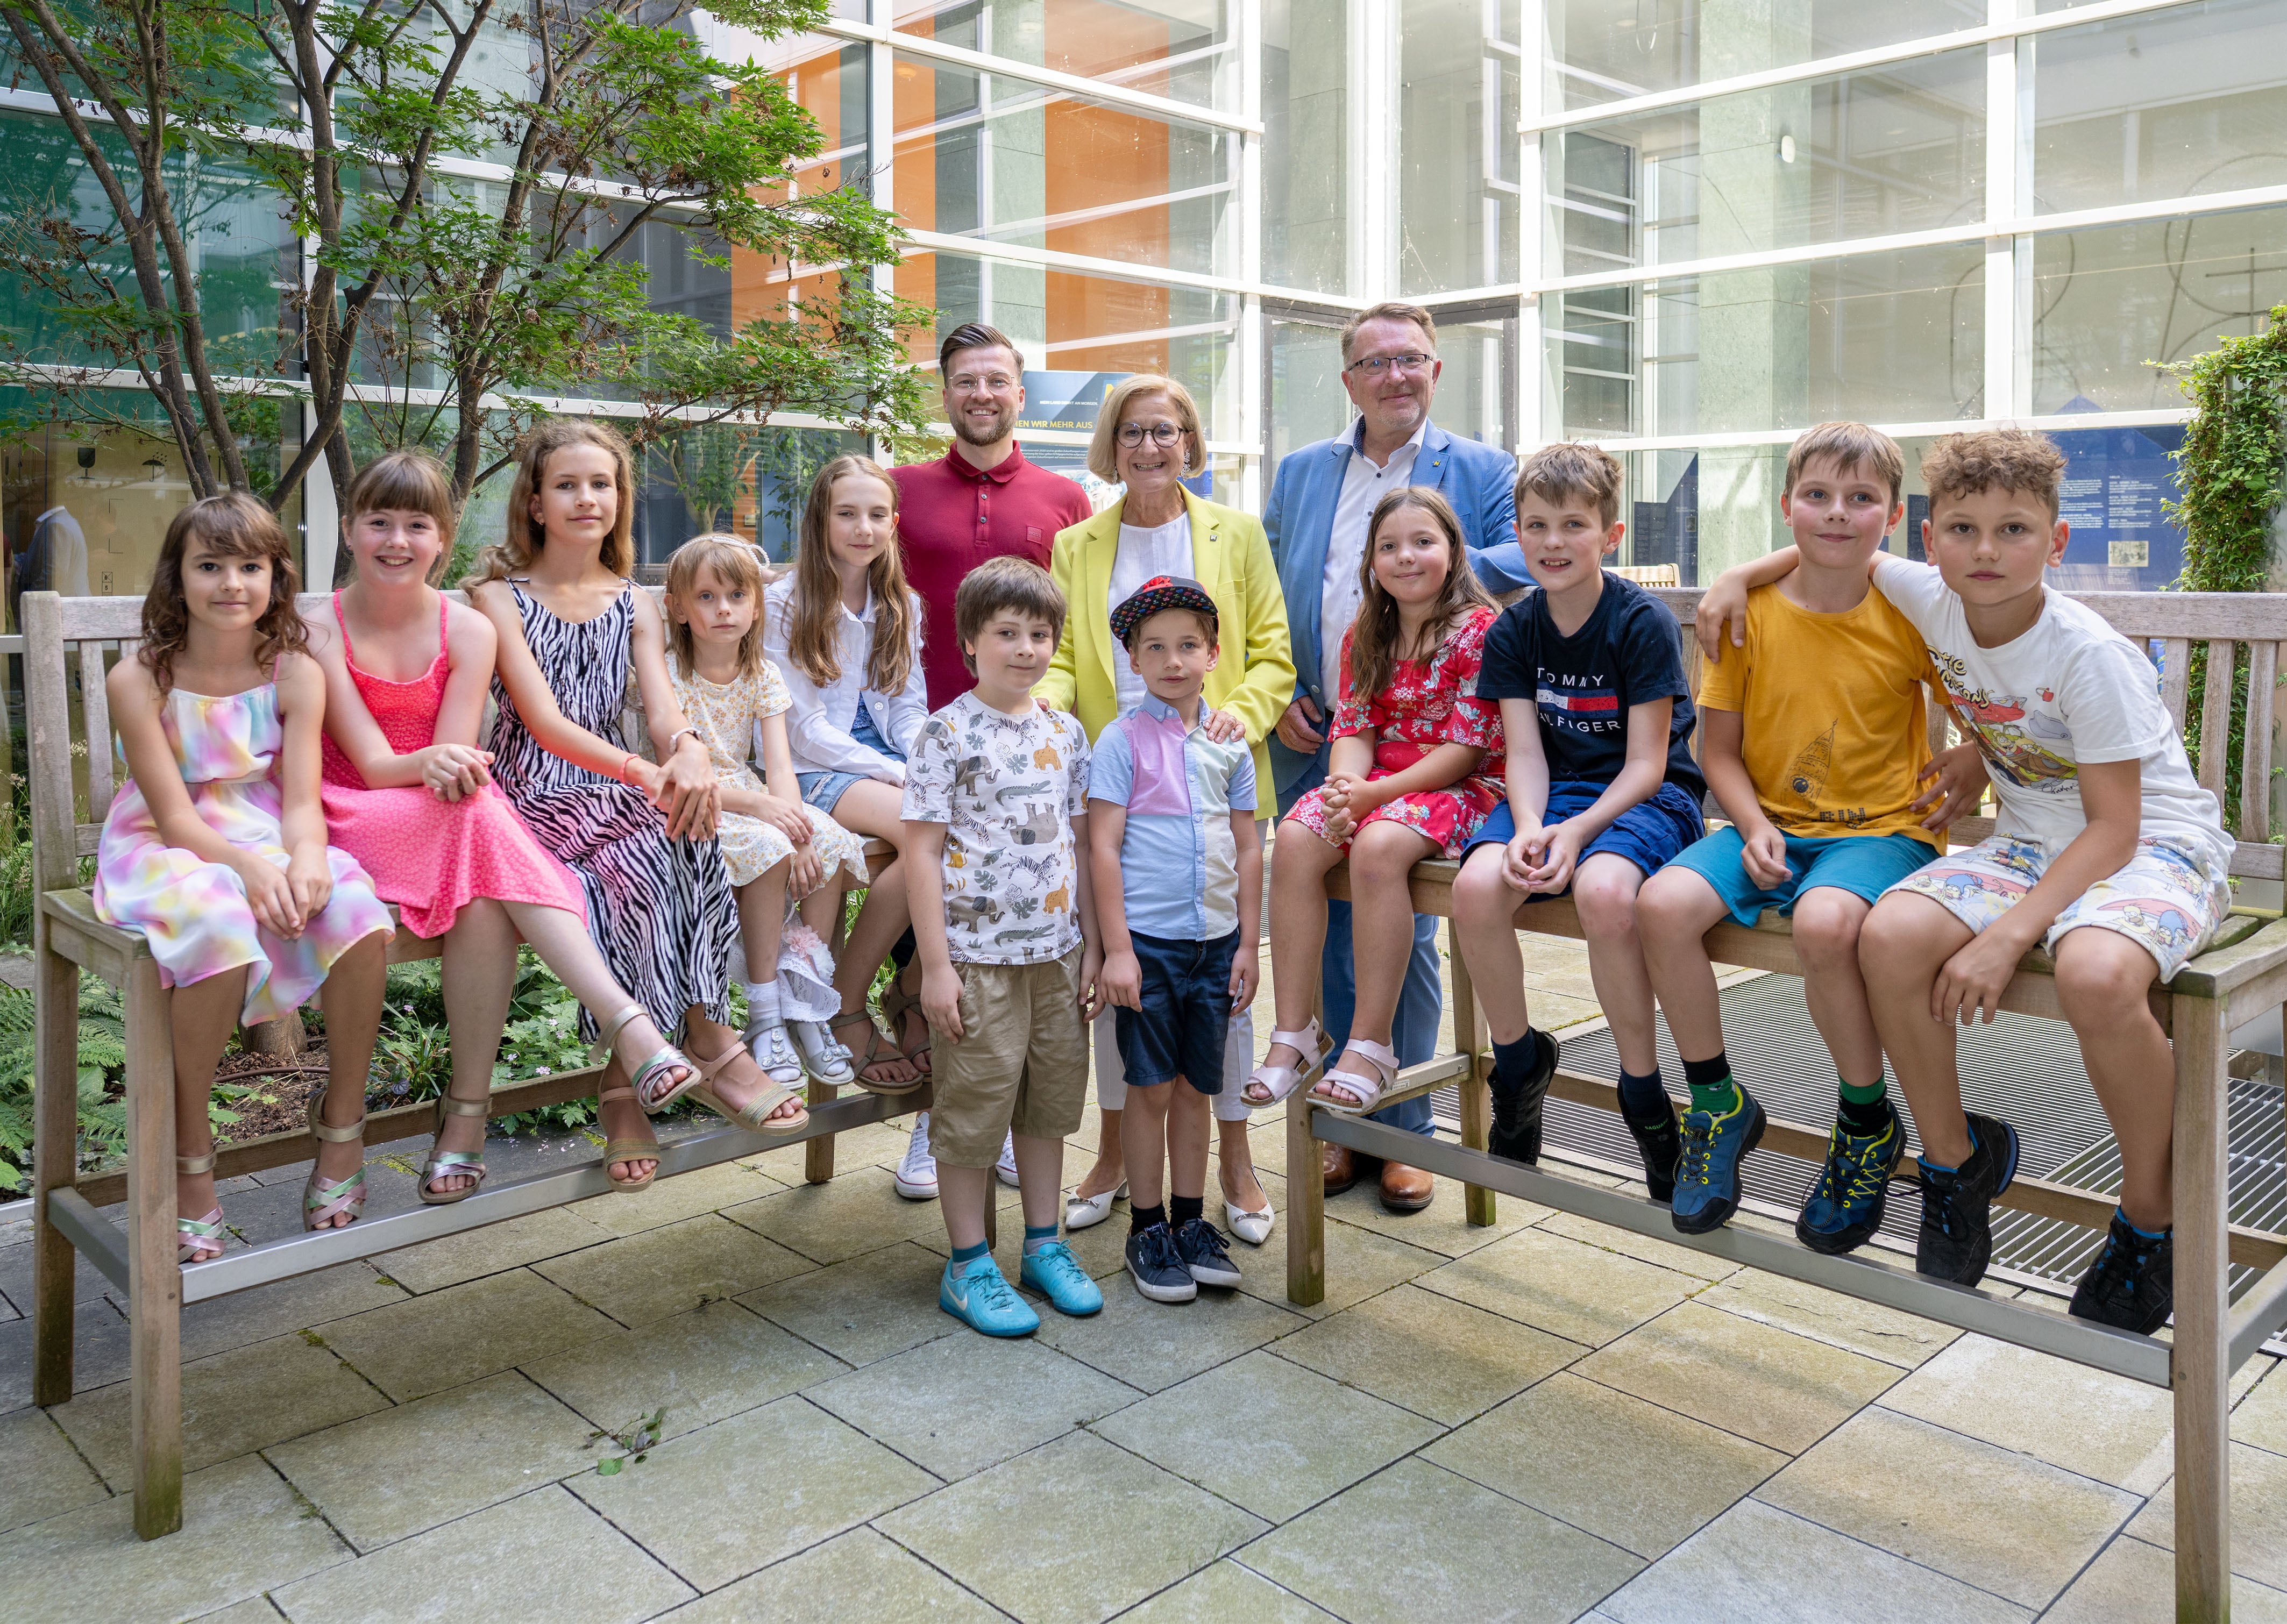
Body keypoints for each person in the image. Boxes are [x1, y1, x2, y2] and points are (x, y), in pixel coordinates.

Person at [1735, 430, 2228, 1331]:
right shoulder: (1928, 593)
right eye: (1962, 529)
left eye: (2014, 530)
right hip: (2031, 840)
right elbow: (1846, 548)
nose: (1986, 551)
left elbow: (2115, 828)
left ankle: (2150, 1218)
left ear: (2056, 541)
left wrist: (2006, 938)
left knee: (2093, 973)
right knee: (1889, 937)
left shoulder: (2088, 654)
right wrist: (1737, 579)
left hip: (2150, 845)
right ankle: (1953, 1163)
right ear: (1930, 542)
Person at [311, 450, 696, 1204]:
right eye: (379, 522)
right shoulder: (318, 627)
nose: (397, 541)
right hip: (345, 814)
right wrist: (441, 768)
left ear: (444, 538)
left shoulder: (465, 628)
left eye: (417, 525)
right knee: (483, 811)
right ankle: (629, 1023)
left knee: (486, 896)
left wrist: (447, 769)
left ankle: (466, 1117)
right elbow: (375, 764)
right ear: (350, 529)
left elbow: (455, 759)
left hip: (440, 822)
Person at [469, 420, 808, 1188]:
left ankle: (661, 1063)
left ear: (619, 500)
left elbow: (661, 711)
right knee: (651, 843)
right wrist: (646, 772)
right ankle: (686, 1055)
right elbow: (544, 722)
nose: (587, 498)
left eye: (602, 484)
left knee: (688, 825)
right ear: (535, 503)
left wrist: (686, 749)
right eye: (567, 485)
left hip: (615, 788)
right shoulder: (498, 598)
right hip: (529, 793)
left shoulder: (634, 601)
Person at [1636, 422, 1952, 1243]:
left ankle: (1865, 1121)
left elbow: (1985, 708)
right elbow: (1717, 752)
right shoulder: (1747, 616)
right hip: (1768, 823)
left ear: (1894, 515)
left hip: (1884, 832)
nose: (1837, 512)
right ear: (1787, 507)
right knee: (1660, 906)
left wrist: (1974, 763)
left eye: (1861, 498)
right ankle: (1717, 1103)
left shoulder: (1911, 612)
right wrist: (1750, 826)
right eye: (1817, 495)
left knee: (1824, 922)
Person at [1264, 300, 1530, 1212]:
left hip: (1432, 749)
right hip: (1331, 727)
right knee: (1320, 902)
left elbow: (1526, 557)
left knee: (1403, 919)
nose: (1394, 376)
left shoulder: (1481, 469)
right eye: (1375, 363)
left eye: (1410, 359)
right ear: (1349, 381)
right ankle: (1341, 1123)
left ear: (1435, 370)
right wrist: (1290, 693)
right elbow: (1276, 589)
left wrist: (1429, 569)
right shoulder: (1303, 471)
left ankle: (1405, 1125)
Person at [94, 493, 393, 1259]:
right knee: (220, 921)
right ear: (178, 577)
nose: (232, 583)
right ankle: (190, 1152)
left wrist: (309, 857)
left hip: (264, 827)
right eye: (210, 566)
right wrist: (253, 870)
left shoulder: (294, 671)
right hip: (164, 842)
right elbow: (176, 818)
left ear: (275, 577)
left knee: (357, 913)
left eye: (250, 566)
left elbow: (300, 803)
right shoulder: (140, 679)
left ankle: (342, 1127)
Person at [1037, 374, 1293, 1245]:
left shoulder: (1237, 533)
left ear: (1190, 442)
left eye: (1166, 430)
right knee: (1125, 978)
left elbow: (1272, 655)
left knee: (1225, 981)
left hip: (1217, 786)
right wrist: (1050, 719)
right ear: (1111, 446)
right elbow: (1062, 660)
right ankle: (1114, 1155)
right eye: (1133, 432)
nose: (1149, 447)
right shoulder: (1076, 545)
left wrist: (1237, 716)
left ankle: (1236, 1163)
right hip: (1117, 789)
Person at [1449, 444, 1704, 1199]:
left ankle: (1644, 1095)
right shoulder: (1514, 630)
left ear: (1610, 535)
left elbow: (1648, 765)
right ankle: (1518, 1065)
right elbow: (1524, 752)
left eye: (1573, 525)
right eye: (1536, 525)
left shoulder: (1641, 621)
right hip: (1553, 795)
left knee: (1604, 893)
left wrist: (1578, 832)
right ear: (1517, 535)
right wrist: (1532, 825)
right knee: (1475, 889)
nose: (1553, 542)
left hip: (1645, 799)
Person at [887, 324, 1091, 1195]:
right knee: (926, 945)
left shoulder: (1065, 498)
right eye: (965, 381)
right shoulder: (897, 491)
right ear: (945, 394)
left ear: (1020, 394)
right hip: (918, 743)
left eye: (996, 381)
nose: (981, 395)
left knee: (1012, 950)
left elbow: (1071, 627)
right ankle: (938, 1116)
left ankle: (1006, 1117)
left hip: (1022, 756)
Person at [1251, 488, 1503, 1124]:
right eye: (1388, 546)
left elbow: (1466, 750)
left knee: (1378, 844)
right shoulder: (1366, 630)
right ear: (1370, 560)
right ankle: (1294, 1031)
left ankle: (1370, 1043)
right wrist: (1343, 789)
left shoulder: (1478, 631)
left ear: (1453, 550)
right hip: (1378, 783)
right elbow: (1354, 729)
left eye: (1422, 542)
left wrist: (1372, 798)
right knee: (1297, 836)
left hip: (1461, 786)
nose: (1405, 556)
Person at [903, 555, 1104, 1336]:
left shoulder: (1065, 731)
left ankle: (1044, 1244)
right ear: (970, 641)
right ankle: (967, 1264)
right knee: (972, 1111)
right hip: (976, 961)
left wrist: (1092, 947)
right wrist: (936, 967)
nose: (1025, 648)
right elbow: (921, 852)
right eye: (1007, 633)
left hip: (1057, 957)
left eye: (1039, 634)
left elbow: (1081, 844)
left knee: (1049, 1106)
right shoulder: (945, 733)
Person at [1088, 576, 1263, 1300]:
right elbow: (1102, 847)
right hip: (1150, 947)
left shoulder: (1230, 747)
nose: (1172, 660)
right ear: (1132, 660)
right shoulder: (1120, 740)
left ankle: (1190, 1223)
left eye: (1188, 645)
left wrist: (1247, 946)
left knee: (1197, 1087)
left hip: (1214, 946)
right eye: (1154, 647)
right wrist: (1118, 950)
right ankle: (1146, 1229)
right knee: (1150, 1088)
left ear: (1213, 654)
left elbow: (1248, 847)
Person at [662, 533, 870, 1091]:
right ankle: (766, 1013)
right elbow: (673, 775)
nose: (724, 609)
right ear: (678, 609)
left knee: (827, 840)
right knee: (768, 844)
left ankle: (804, 998)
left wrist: (799, 831)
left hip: (753, 792)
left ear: (756, 606)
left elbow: (779, 766)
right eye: (706, 597)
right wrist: (767, 812)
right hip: (693, 801)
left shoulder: (761, 673)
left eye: (737, 596)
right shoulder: (670, 675)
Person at [764, 457, 935, 1098]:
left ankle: (910, 986)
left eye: (876, 515)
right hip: (812, 770)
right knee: (926, 832)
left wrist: (926, 759)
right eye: (847, 514)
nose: (863, 528)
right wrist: (896, 774)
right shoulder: (785, 602)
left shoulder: (901, 604)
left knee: (973, 829)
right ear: (821, 520)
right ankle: (847, 1002)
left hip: (884, 766)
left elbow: (908, 708)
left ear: (893, 523)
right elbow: (802, 729)